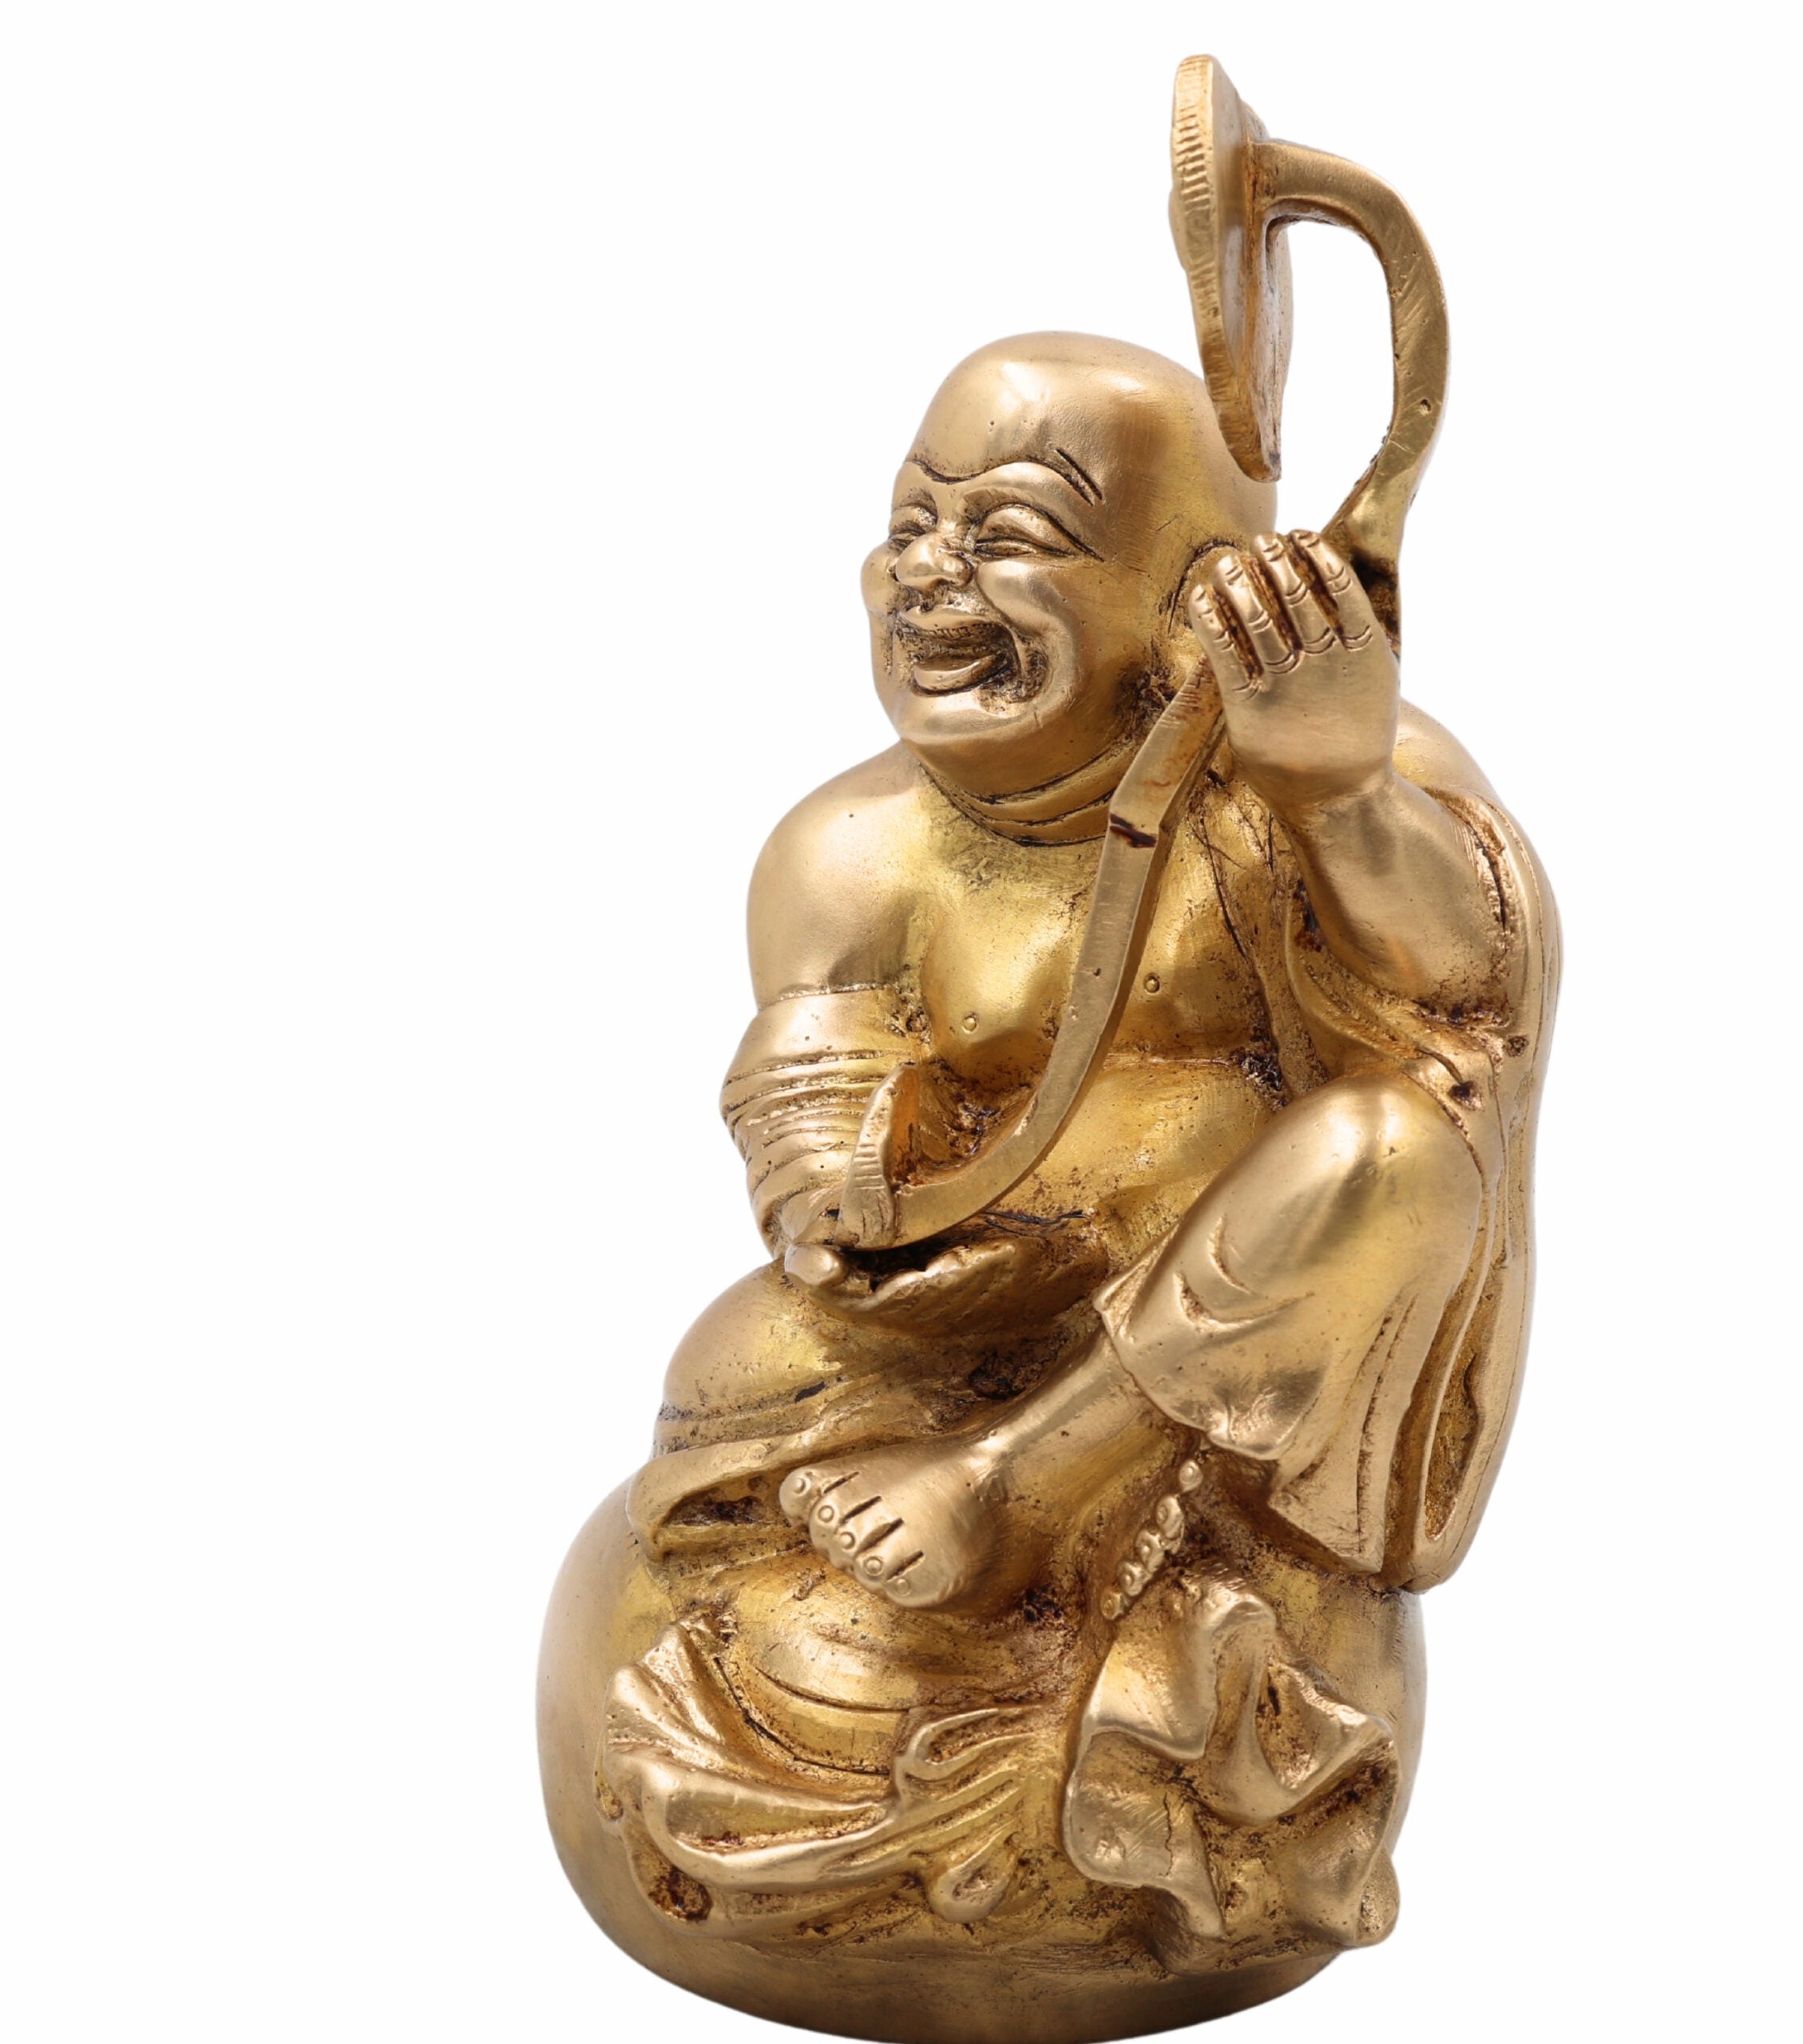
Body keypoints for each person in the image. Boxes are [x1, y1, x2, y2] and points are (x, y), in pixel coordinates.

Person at [596, 331, 1555, 1967]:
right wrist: (844, 1182)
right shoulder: (848, 849)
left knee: (1387, 1157)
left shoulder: (1334, 773)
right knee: (727, 1361)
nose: (930, 575)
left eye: (1011, 535)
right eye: (910, 524)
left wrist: (1335, 798)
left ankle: (1013, 1488)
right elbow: (819, 1135)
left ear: (1195, 604)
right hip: (979, 1302)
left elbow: (1470, 1007)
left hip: (1248, 1325)